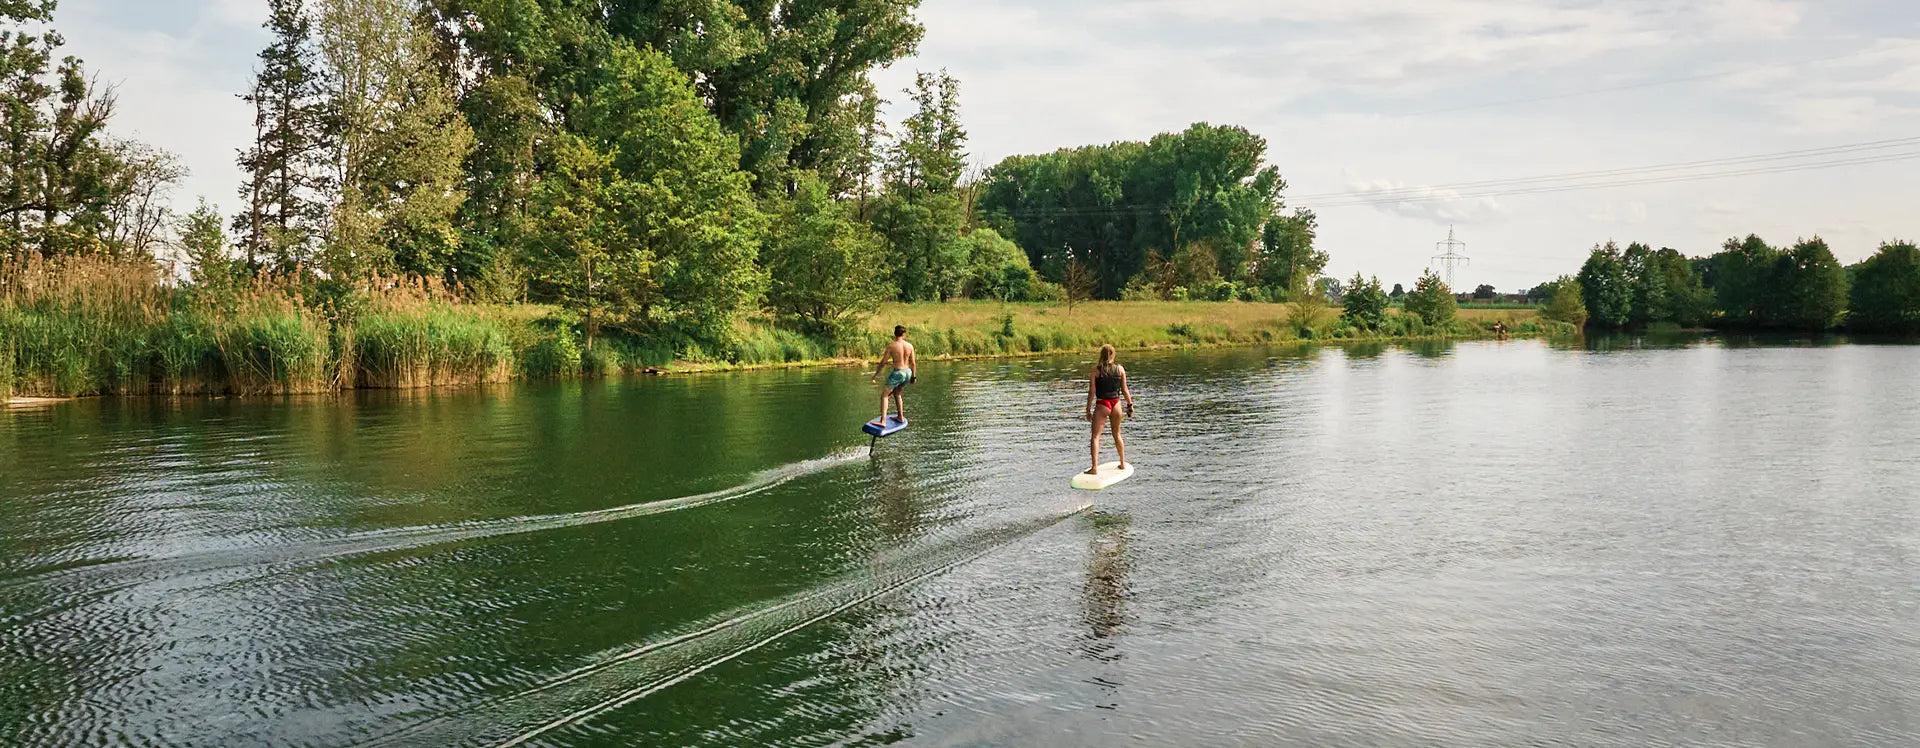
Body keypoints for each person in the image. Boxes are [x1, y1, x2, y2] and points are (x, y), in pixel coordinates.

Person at [1084, 344, 1134, 475]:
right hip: (1116, 404)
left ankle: (1094, 468)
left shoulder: (1096, 371)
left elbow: (1092, 392)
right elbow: (1124, 390)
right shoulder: (1120, 370)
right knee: (1117, 434)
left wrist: (1088, 410)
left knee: (1095, 436)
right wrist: (1130, 405)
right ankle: (1122, 463)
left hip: (1102, 404)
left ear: (1101, 355)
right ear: (1113, 354)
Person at [871, 325, 916, 423]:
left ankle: (882, 421)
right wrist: (914, 377)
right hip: (908, 372)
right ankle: (900, 417)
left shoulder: (892, 346)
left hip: (898, 373)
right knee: (897, 394)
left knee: (884, 395)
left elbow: (883, 362)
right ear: (904, 334)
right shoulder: (910, 346)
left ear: (895, 334)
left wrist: (875, 375)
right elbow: (913, 363)